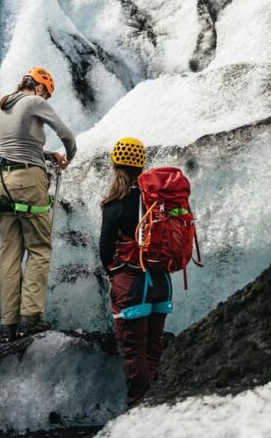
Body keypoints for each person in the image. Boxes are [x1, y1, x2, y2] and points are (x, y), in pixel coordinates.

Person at [0, 67, 76, 342]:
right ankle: (30, 318)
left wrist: (47, 155)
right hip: (27, 182)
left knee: (10, 252)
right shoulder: (34, 102)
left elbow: (18, 144)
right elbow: (67, 135)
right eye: (46, 94)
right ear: (39, 87)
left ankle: (8, 324)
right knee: (39, 248)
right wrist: (68, 155)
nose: (46, 99)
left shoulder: (4, 106)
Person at [99, 137, 172, 406]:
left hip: (132, 283)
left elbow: (105, 249)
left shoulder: (114, 205)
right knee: (154, 348)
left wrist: (113, 273)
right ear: (141, 167)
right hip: (161, 282)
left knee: (134, 351)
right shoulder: (156, 201)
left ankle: (139, 407)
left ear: (116, 167)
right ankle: (156, 405)